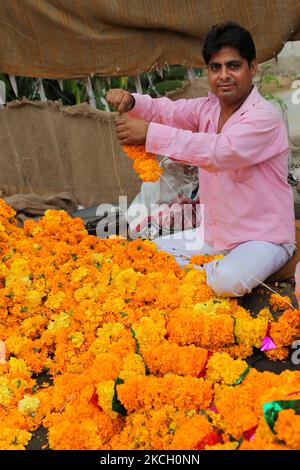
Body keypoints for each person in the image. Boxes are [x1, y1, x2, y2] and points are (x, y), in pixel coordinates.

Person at [106, 21, 296, 297]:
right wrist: (134, 103)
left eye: (233, 66)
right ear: (207, 71)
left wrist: (149, 135)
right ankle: (206, 272)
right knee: (143, 256)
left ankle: (208, 275)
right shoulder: (207, 108)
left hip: (263, 239)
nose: (224, 75)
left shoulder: (264, 117)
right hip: (214, 237)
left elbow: (219, 152)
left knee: (227, 282)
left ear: (252, 68)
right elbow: (167, 111)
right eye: (215, 68)